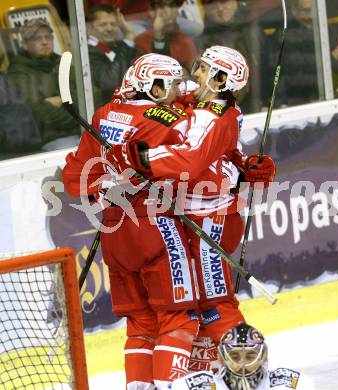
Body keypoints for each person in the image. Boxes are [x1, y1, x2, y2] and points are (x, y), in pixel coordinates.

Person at [107, 45, 276, 372]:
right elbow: (218, 155)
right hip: (193, 214)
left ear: (220, 77)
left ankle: (247, 373)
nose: (193, 73)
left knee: (214, 305)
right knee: (191, 303)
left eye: (201, 68)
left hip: (210, 218)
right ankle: (201, 372)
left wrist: (139, 158)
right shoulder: (204, 104)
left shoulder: (213, 115)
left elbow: (191, 159)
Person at [62, 53, 200, 389]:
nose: (176, 91)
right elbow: (194, 160)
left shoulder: (104, 114)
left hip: (115, 233)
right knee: (177, 319)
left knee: (140, 324)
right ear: (152, 86)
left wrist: (103, 191)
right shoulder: (168, 120)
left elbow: (75, 177)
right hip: (156, 229)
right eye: (171, 85)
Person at [7, 18, 81, 151]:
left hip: (83, 130)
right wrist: (77, 118)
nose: (45, 42)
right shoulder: (18, 72)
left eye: (48, 37)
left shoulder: (62, 63)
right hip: (52, 139)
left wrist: (60, 101)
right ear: (24, 44)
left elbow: (87, 96)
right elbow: (38, 112)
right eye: (37, 39)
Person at [169, 322, 315, 389]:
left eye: (250, 356)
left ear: (264, 357)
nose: (243, 364)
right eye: (235, 356)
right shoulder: (191, 387)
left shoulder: (292, 384)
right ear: (221, 358)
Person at [86, 4, 140, 104]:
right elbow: (110, 83)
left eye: (113, 24)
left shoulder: (116, 46)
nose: (110, 29)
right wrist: (128, 36)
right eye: (103, 25)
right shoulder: (87, 51)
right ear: (89, 28)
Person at [135, 0, 197, 72]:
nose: (168, 11)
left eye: (172, 5)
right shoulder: (141, 41)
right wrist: (158, 35)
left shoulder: (186, 40)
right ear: (151, 12)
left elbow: (192, 75)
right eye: (162, 6)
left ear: (178, 10)